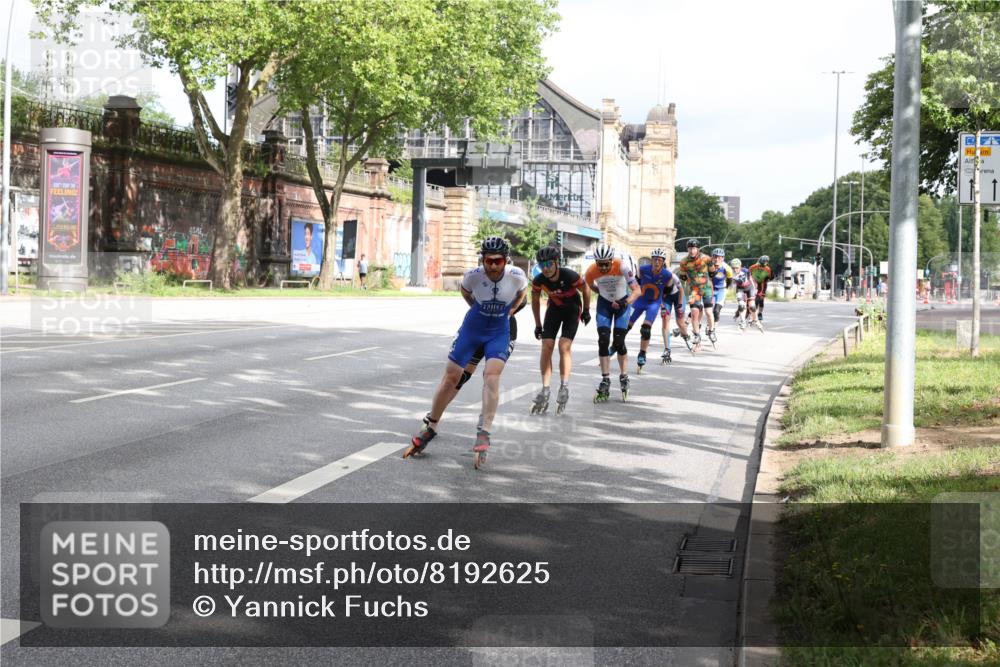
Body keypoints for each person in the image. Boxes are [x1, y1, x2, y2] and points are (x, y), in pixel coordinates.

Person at [404, 236, 527, 469]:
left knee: (491, 376)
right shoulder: (472, 276)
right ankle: (431, 425)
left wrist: (510, 311)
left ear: (505, 260)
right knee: (452, 377)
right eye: (488, 261)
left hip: (499, 332)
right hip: (473, 329)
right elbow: (465, 292)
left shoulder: (516, 276)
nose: (492, 266)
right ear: (482, 259)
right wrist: (477, 310)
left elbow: (522, 293)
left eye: (497, 261)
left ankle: (485, 432)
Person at [529, 246, 591, 414]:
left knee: (563, 346)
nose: (546, 268)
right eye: (542, 265)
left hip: (572, 309)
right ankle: (546, 389)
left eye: (549, 264)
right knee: (546, 346)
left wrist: (586, 310)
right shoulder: (539, 280)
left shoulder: (569, 275)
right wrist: (538, 324)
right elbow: (534, 301)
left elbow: (586, 289)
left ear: (556, 262)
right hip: (554, 310)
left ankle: (564, 387)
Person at [584, 243, 640, 402]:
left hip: (622, 303)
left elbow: (637, 290)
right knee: (603, 341)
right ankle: (605, 379)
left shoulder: (622, 266)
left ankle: (624, 376)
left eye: (605, 264)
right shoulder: (591, 271)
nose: (602, 268)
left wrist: (625, 302)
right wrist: (586, 309)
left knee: (618, 341)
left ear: (611, 260)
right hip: (604, 304)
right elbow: (587, 287)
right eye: (599, 264)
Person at [626, 247, 676, 372]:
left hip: (653, 303)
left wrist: (663, 304)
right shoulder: (643, 269)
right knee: (626, 326)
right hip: (639, 301)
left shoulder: (667, 275)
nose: (657, 262)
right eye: (655, 259)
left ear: (663, 261)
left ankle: (642, 354)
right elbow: (635, 282)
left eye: (659, 260)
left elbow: (668, 291)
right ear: (651, 260)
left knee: (645, 329)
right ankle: (614, 346)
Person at [677, 239, 715, 349]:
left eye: (694, 248)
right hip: (694, 290)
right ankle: (697, 335)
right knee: (694, 312)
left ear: (698, 249)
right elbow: (683, 277)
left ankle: (711, 331)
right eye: (690, 248)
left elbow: (712, 273)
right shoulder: (684, 262)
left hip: (706, 288)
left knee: (708, 312)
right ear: (687, 249)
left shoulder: (706, 258)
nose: (692, 250)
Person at [708, 248, 733, 341]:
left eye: (720, 258)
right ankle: (708, 325)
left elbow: (730, 280)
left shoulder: (727, 268)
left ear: (723, 258)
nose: (717, 259)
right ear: (712, 257)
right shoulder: (708, 266)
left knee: (716, 311)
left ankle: (713, 329)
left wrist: (726, 289)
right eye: (715, 257)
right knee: (707, 310)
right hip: (710, 290)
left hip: (721, 290)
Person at [731, 258, 762, 332]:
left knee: (752, 306)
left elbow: (745, 281)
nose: (735, 270)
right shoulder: (731, 273)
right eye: (733, 268)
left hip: (750, 287)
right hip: (740, 288)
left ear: (740, 266)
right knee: (741, 305)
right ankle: (743, 321)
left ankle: (756, 320)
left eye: (737, 268)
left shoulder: (745, 271)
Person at [749, 256, 774, 322]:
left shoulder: (768, 269)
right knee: (754, 300)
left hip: (762, 285)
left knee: (760, 300)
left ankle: (759, 313)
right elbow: (748, 274)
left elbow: (771, 277)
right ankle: (754, 314)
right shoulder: (753, 267)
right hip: (754, 284)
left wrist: (766, 278)